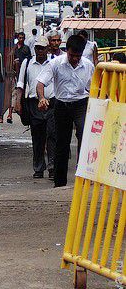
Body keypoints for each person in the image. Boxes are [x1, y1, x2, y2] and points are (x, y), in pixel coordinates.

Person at [37, 34, 94, 187]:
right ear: (66, 51)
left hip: (82, 104)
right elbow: (40, 83)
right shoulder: (55, 64)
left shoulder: (88, 65)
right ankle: (59, 182)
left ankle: (83, 176)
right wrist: (42, 98)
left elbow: (95, 86)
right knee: (61, 142)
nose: (75, 59)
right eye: (71, 55)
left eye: (78, 56)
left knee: (84, 135)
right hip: (61, 104)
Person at [16, 35, 56, 179]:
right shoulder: (27, 63)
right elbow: (20, 84)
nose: (40, 51)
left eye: (42, 48)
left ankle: (52, 167)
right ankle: (39, 168)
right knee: (37, 137)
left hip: (52, 103)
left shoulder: (54, 63)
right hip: (34, 104)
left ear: (47, 49)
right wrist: (17, 102)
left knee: (52, 136)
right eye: (37, 48)